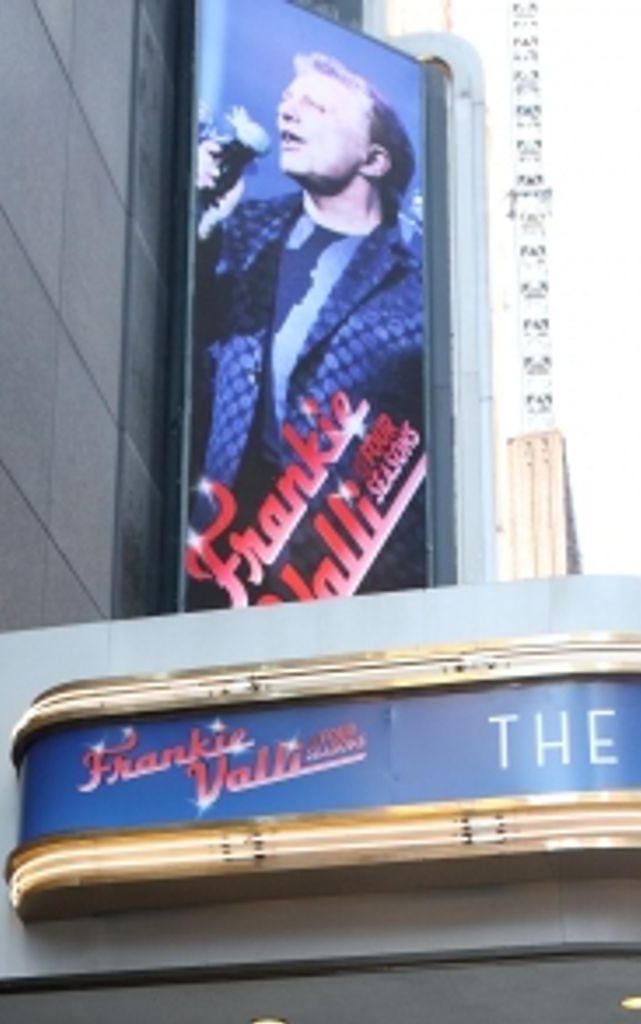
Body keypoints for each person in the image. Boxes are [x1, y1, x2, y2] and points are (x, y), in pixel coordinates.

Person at [188, 51, 426, 608]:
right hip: (210, 567)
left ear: (375, 159)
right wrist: (198, 230)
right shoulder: (239, 229)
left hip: (331, 590)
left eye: (316, 106)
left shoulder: (415, 292)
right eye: (288, 102)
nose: (289, 113)